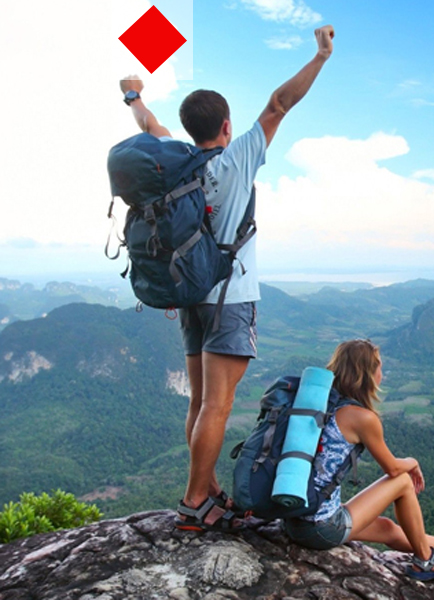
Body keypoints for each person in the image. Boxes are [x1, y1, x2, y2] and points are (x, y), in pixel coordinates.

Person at [119, 26, 337, 531]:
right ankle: (196, 501)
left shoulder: (178, 164)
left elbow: (150, 126)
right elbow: (280, 103)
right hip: (230, 299)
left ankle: (207, 485)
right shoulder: (237, 158)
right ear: (225, 124)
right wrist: (321, 56)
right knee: (218, 404)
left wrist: (133, 95)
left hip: (191, 296)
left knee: (200, 402)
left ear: (189, 127)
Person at [283, 339, 434, 580]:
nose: (382, 374)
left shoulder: (317, 405)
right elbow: (393, 468)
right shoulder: (361, 417)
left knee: (387, 528)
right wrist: (413, 461)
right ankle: (426, 560)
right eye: (380, 368)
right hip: (320, 528)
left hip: (294, 519)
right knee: (403, 482)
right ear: (367, 374)